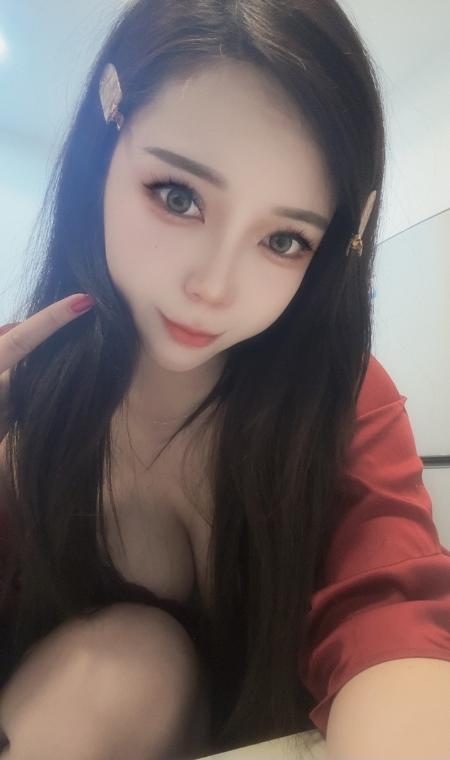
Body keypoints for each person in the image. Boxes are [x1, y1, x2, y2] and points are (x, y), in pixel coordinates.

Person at [0, 0, 449, 758]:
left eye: (284, 239)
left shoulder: (340, 398)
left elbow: (392, 621)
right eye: (178, 196)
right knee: (131, 660)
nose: (213, 286)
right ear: (104, 147)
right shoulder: (26, 378)